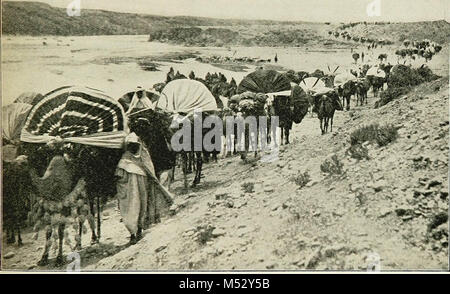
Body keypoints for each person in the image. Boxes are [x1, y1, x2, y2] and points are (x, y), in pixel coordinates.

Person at [115, 132, 156, 244]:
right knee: (134, 208)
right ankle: (134, 233)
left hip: (138, 186)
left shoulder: (142, 155)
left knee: (139, 207)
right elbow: (120, 175)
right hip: (132, 188)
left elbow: (150, 168)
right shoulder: (129, 158)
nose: (133, 147)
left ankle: (137, 232)